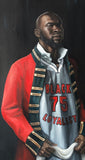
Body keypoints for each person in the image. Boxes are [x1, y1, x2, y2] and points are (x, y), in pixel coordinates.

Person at [1, 11, 85, 160]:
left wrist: (83, 133)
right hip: (39, 153)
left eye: (59, 25)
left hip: (73, 151)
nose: (57, 29)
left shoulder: (71, 64)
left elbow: (79, 106)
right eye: (50, 25)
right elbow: (10, 110)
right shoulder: (20, 67)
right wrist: (35, 140)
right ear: (37, 33)